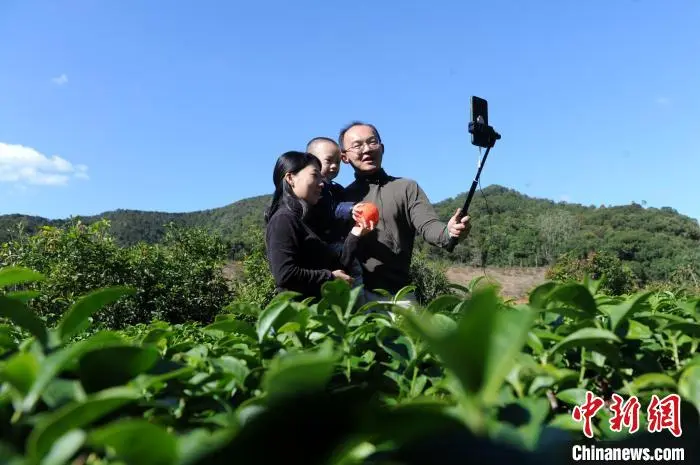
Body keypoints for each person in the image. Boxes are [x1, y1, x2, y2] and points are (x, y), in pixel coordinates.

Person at [338, 121, 472, 306]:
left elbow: (428, 225)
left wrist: (449, 231)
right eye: (357, 145)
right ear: (344, 157)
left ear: (382, 148)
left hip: (400, 298)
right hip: (356, 296)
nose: (367, 149)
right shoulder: (341, 198)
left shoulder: (406, 188)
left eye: (372, 142)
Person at [264, 150, 374, 301]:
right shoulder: (283, 220)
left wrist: (355, 234)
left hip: (319, 315)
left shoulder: (306, 221)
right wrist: (330, 277)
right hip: (301, 318)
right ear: (290, 178)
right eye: (315, 175)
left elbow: (337, 266)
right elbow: (285, 275)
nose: (322, 183)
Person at [304, 137, 365, 292]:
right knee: (352, 272)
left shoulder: (336, 189)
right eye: (329, 160)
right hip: (327, 244)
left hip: (339, 242)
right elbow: (329, 208)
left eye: (337, 162)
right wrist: (351, 209)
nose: (334, 166)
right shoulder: (316, 190)